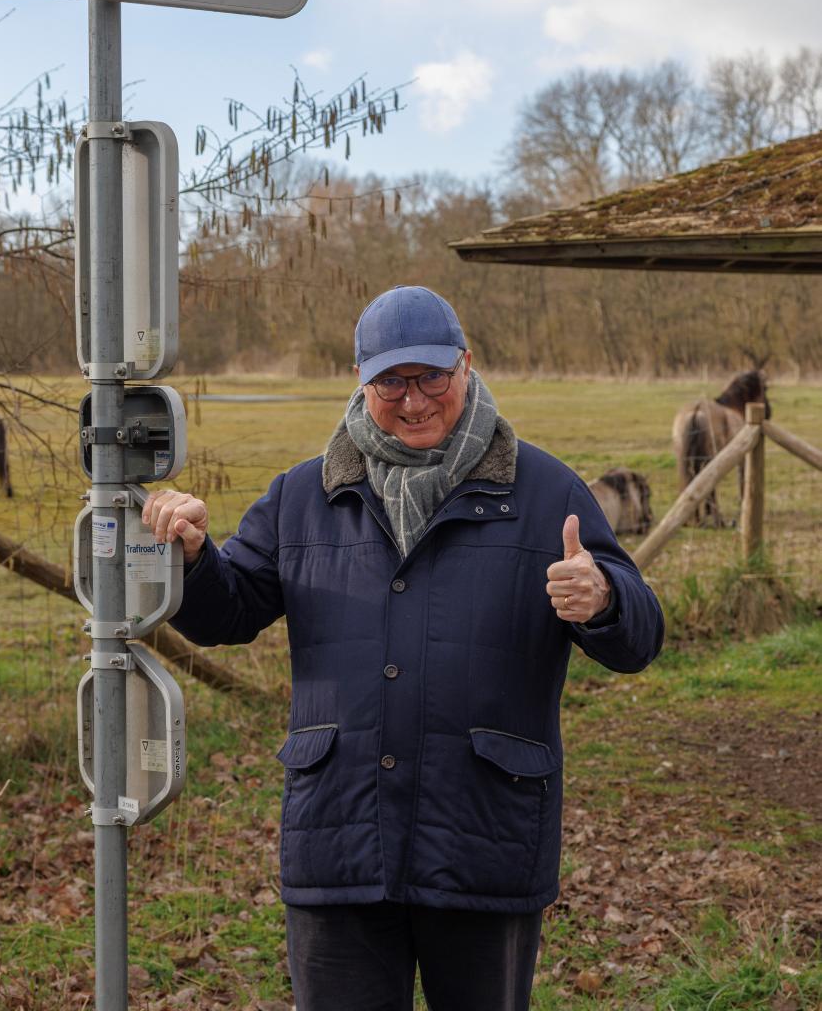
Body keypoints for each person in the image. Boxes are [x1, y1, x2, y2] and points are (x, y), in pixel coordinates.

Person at [142, 285, 663, 1011]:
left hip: (485, 840)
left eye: (431, 378)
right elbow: (227, 614)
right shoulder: (304, 496)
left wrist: (604, 599)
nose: (413, 400)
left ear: (467, 366)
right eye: (391, 381)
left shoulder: (544, 493)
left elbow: (641, 638)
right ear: (361, 380)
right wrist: (195, 558)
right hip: (341, 839)